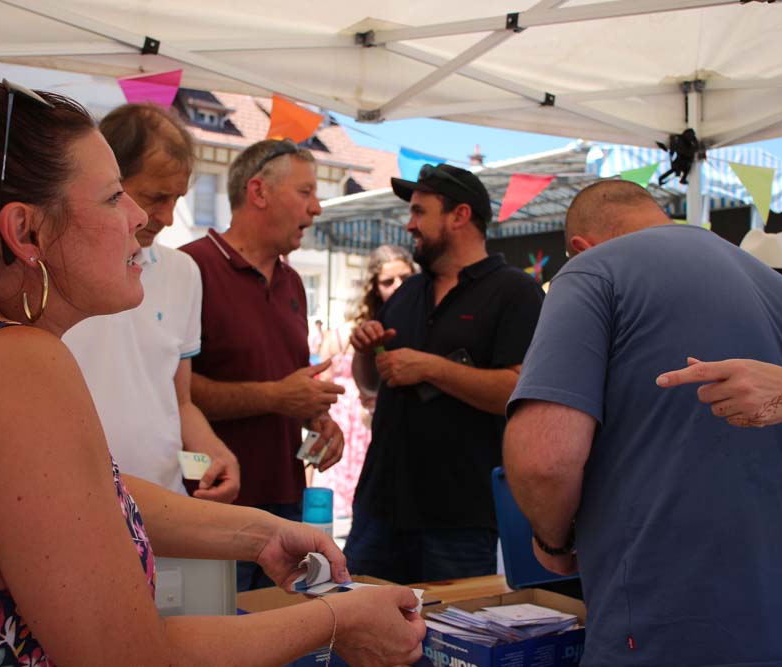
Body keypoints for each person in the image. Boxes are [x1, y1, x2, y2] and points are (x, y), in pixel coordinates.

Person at [0, 47, 425, 666]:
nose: (139, 219)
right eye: (112, 197)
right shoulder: (13, 363)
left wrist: (256, 533)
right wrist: (339, 618)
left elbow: (67, 498)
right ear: (25, 232)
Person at [505, 179, 782, 666]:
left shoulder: (593, 269)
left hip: (675, 630)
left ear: (580, 246)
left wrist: (553, 541)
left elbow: (544, 459)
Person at [347, 164, 545, 583]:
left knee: (445, 626)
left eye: (420, 212)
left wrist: (430, 367)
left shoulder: (515, 292)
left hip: (458, 520)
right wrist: (365, 351)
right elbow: (369, 384)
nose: (410, 224)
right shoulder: (407, 291)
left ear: (460, 216)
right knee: (355, 619)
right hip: (378, 508)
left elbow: (519, 391)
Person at [181, 139, 346, 591]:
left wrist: (317, 421)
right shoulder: (191, 268)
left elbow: (289, 383)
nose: (316, 208)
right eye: (305, 192)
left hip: (286, 505)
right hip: (216, 510)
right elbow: (173, 395)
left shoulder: (293, 281)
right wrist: (277, 396)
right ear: (258, 192)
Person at [63, 103, 239, 503]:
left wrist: (214, 451)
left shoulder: (183, 272)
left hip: (165, 502)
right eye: (156, 197)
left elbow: (180, 401)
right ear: (108, 183)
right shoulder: (54, 268)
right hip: (76, 501)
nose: (168, 217)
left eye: (177, 198)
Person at [313, 245, 416, 518]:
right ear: (374, 287)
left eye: (405, 278)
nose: (398, 286)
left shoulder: (419, 321)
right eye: (388, 281)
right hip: (354, 420)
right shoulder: (350, 332)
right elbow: (325, 382)